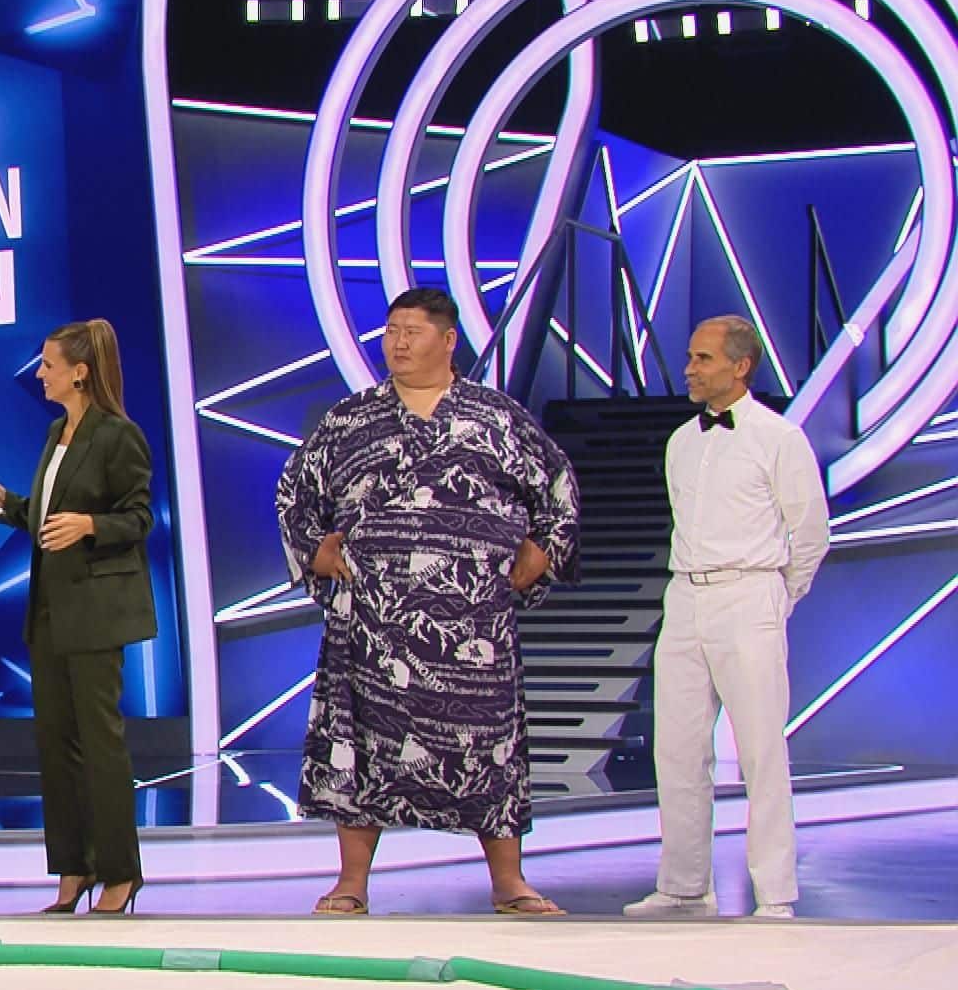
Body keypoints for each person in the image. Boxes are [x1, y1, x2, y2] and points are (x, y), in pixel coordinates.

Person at [275, 287, 580, 916]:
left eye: (412, 331)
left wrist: (544, 551)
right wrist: (315, 551)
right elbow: (294, 495)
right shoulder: (349, 420)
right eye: (391, 331)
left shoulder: (497, 418)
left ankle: (509, 882)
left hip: (472, 626)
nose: (398, 342)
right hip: (371, 624)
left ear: (448, 340)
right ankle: (351, 882)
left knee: (490, 747)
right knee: (359, 746)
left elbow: (557, 488)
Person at [624, 315, 827, 920]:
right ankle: (683, 885)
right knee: (677, 748)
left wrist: (778, 597)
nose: (690, 369)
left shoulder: (779, 437)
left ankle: (775, 892)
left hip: (750, 592)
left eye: (704, 359)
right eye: (690, 357)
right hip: (685, 596)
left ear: (740, 367)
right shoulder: (681, 442)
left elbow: (810, 533)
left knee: (761, 749)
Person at [0, 319, 157, 915]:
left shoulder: (118, 435)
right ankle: (74, 868)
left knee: (100, 743)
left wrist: (91, 525)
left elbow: (139, 518)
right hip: (49, 610)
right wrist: (5, 504)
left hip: (95, 611)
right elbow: (48, 517)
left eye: (49, 365)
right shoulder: (57, 432)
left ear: (80, 372)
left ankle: (120, 873)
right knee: (56, 744)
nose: (40, 374)